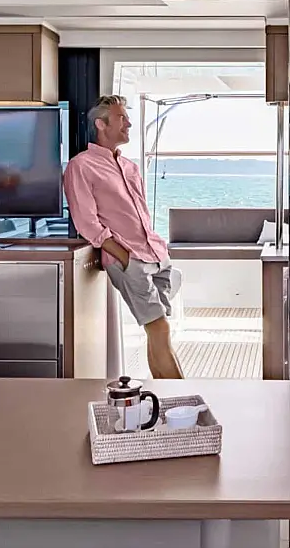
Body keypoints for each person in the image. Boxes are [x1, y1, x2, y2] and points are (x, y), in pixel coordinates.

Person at [63, 95, 184, 379]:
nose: (128, 123)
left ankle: (163, 396)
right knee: (160, 328)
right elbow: (86, 222)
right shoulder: (81, 166)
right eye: (122, 118)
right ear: (101, 124)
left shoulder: (130, 167)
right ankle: (186, 399)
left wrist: (159, 249)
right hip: (129, 260)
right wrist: (124, 257)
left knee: (158, 331)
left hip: (155, 255)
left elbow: (140, 213)